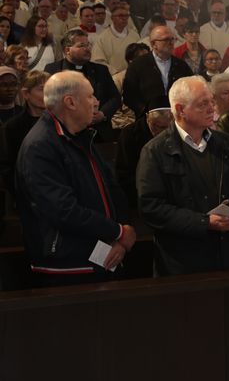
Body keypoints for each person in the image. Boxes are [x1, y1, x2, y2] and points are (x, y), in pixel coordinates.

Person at [14, 71, 136, 286]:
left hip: (99, 256)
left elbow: (112, 188)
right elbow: (62, 210)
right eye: (90, 96)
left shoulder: (80, 136)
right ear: (70, 102)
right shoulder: (40, 146)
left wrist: (121, 232)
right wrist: (117, 231)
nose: (96, 102)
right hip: (66, 265)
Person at [136, 76, 229, 276]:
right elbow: (151, 207)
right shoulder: (155, 151)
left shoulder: (226, 143)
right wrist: (204, 222)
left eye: (212, 101)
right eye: (203, 104)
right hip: (185, 261)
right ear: (181, 109)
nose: (212, 108)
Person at [45, 29, 122, 140]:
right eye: (81, 46)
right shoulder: (53, 70)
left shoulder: (101, 70)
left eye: (88, 45)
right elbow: (50, 102)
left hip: (99, 133)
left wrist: (102, 114)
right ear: (67, 50)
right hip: (66, 133)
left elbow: (115, 97)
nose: (87, 49)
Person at [122, 25, 193, 119]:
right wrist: (145, 111)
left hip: (177, 119)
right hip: (147, 121)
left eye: (172, 39)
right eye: (166, 40)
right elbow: (129, 95)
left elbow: (190, 91)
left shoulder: (181, 65)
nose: (171, 43)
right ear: (153, 44)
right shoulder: (137, 65)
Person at [0, 70, 48, 193]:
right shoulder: (13, 127)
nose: (48, 94)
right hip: (27, 190)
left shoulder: (60, 121)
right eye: (42, 89)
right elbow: (8, 166)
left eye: (50, 89)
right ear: (26, 94)